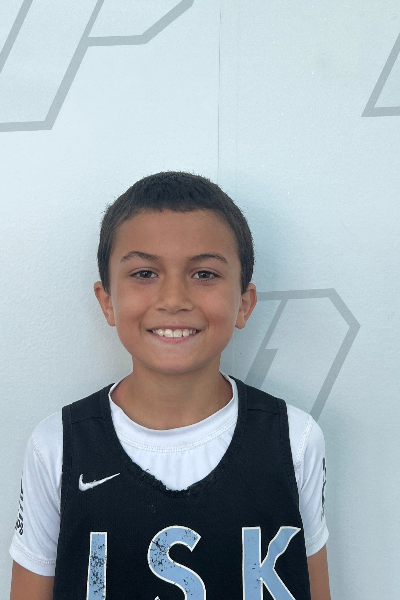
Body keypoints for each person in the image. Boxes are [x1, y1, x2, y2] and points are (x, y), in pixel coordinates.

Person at [9, 172, 331, 599]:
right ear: (107, 301)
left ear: (244, 303)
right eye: (145, 273)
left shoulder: (294, 438)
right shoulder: (57, 446)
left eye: (204, 274)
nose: (174, 298)